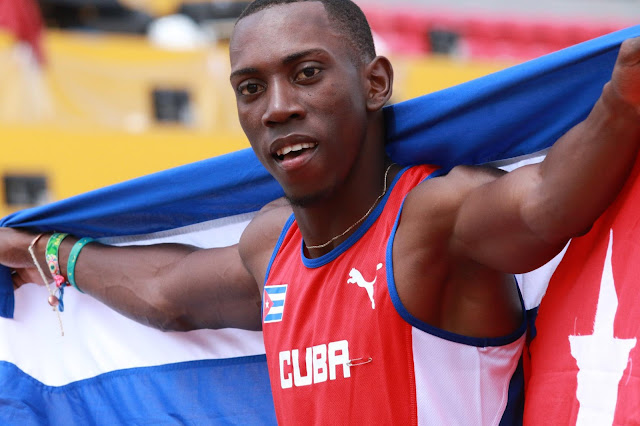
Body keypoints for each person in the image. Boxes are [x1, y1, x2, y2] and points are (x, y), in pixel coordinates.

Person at [1, 0, 639, 423]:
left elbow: (549, 203)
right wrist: (44, 253)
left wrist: (624, 97)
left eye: (306, 74)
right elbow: (168, 295)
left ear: (375, 83)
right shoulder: (270, 244)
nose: (277, 107)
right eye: (251, 89)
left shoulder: (432, 221)